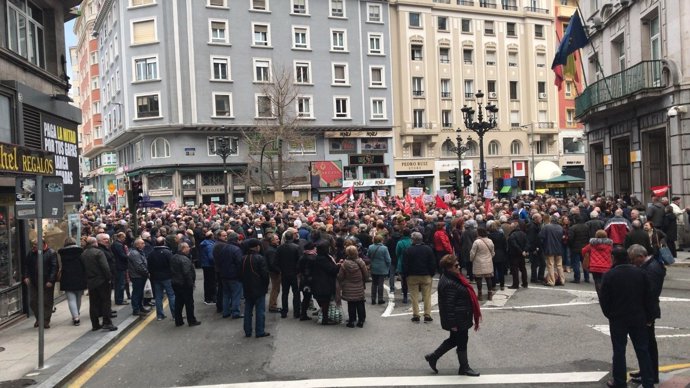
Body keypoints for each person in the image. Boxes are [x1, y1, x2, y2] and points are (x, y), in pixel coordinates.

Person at [599, 247, 654, 388]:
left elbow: (604, 300)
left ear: (614, 258)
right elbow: (649, 297)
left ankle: (620, 381)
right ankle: (648, 382)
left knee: (619, 350)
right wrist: (649, 316)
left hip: (618, 317)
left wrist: (609, 314)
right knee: (643, 350)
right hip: (638, 317)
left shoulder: (610, 275)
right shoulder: (641, 273)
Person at [424, 254, 481, 377]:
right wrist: (453, 324)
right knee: (461, 341)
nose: (459, 266)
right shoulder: (449, 282)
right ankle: (464, 367)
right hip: (458, 318)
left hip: (461, 316)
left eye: (458, 264)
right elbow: (448, 306)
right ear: (448, 268)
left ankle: (433, 357)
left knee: (455, 339)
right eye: (456, 265)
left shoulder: (453, 277)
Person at [629, 244, 666, 385]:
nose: (633, 263)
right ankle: (646, 370)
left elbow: (651, 294)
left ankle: (650, 374)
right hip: (646, 311)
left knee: (648, 344)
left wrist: (649, 317)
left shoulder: (652, 269)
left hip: (647, 313)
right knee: (646, 344)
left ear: (641, 256)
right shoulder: (650, 265)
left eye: (633, 259)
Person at [81, 237, 117, 331]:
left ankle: (95, 324)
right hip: (102, 280)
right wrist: (109, 278)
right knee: (106, 302)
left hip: (91, 281)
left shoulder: (84, 253)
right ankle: (107, 322)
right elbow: (105, 267)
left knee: (93, 303)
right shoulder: (98, 252)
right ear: (95, 243)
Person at [23, 238, 58, 328]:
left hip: (46, 281)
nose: (33, 246)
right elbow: (26, 265)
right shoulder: (31, 253)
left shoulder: (51, 253)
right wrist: (26, 276)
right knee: (33, 301)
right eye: (33, 244)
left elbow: (54, 268)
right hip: (34, 281)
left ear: (42, 244)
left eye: (35, 244)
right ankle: (39, 318)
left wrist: (51, 280)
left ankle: (45, 321)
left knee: (46, 301)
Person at [240, 239, 270, 337]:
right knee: (260, 310)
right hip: (258, 288)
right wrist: (265, 286)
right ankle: (260, 331)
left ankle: (247, 331)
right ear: (257, 247)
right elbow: (264, 275)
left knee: (248, 310)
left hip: (247, 287)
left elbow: (239, 274)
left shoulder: (243, 258)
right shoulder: (260, 258)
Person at [404, 232, 436, 322]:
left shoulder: (408, 250)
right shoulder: (428, 249)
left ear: (413, 240)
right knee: (427, 296)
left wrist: (405, 275)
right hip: (426, 275)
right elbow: (432, 263)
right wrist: (431, 273)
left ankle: (416, 315)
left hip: (412, 275)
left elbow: (405, 265)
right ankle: (427, 314)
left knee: (414, 297)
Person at [170, 242, 201, 327]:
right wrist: (191, 284)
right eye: (187, 247)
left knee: (178, 302)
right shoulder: (184, 259)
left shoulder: (173, 257)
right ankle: (191, 320)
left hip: (175, 283)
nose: (189, 249)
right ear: (183, 249)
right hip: (185, 284)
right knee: (189, 303)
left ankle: (178, 321)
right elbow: (187, 273)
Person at [58, 237, 87, 326]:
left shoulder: (61, 253)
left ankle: (75, 317)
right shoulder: (80, 251)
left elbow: (60, 265)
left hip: (67, 277)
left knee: (71, 299)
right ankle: (77, 313)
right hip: (80, 276)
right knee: (78, 297)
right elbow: (84, 264)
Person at [338, 245, 368, 328]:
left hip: (348, 286)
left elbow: (340, 276)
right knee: (360, 303)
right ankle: (361, 320)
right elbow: (365, 274)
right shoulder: (361, 262)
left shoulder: (345, 264)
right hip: (359, 285)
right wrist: (364, 280)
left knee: (351, 304)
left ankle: (352, 320)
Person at [311, 240, 340, 325]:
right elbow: (331, 270)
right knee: (325, 302)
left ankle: (324, 317)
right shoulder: (323, 259)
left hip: (319, 282)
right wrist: (337, 266)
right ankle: (325, 319)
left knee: (323, 301)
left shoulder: (318, 257)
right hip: (324, 283)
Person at [148, 237, 176, 321]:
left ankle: (160, 315)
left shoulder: (151, 253)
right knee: (171, 295)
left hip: (156, 278)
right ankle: (175, 315)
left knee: (158, 297)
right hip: (167, 277)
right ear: (164, 243)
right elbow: (172, 265)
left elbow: (149, 266)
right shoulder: (168, 252)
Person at [217, 232, 244, 319]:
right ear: (236, 239)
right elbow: (240, 263)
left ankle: (226, 312)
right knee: (236, 294)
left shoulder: (223, 248)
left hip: (224, 275)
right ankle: (235, 312)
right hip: (234, 275)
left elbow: (219, 261)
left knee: (226, 294)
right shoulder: (236, 249)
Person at [276, 230, 301, 319]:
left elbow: (276, 261)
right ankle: (297, 312)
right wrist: (298, 271)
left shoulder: (280, 248)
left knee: (285, 293)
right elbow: (299, 261)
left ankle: (284, 311)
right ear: (292, 237)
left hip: (284, 273)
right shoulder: (296, 247)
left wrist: (280, 270)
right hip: (294, 273)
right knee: (296, 293)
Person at [581, 230, 612, 296]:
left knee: (597, 281)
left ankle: (599, 294)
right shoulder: (609, 245)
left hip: (594, 266)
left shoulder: (592, 245)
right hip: (607, 267)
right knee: (605, 281)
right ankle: (605, 294)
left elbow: (583, 250)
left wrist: (587, 256)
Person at [469, 228, 495, 301]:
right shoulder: (490, 241)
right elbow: (493, 252)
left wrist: (471, 259)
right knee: (488, 278)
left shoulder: (476, 242)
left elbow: (472, 252)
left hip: (478, 261)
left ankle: (480, 294)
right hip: (488, 261)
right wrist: (490, 257)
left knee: (479, 279)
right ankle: (490, 294)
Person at [540, 214, 565, 287]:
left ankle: (551, 281)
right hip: (559, 248)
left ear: (551, 220)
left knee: (550, 265)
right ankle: (562, 280)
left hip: (549, 248)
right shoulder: (560, 227)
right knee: (559, 265)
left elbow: (541, 236)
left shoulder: (547, 227)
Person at [127, 238, 150, 317]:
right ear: (137, 245)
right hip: (137, 276)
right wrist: (147, 273)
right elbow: (139, 266)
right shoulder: (135, 253)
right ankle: (136, 309)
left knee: (140, 293)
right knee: (137, 293)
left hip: (140, 276)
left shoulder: (139, 252)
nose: (144, 244)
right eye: (142, 243)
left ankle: (140, 307)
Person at [367, 234, 391, 305]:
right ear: (381, 240)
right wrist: (388, 266)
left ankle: (373, 299)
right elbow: (388, 259)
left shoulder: (370, 247)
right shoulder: (384, 248)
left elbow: (368, 256)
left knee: (374, 284)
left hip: (373, 267)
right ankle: (380, 298)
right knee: (381, 284)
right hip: (382, 268)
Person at [568, 214, 591, 284]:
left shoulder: (573, 228)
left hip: (575, 248)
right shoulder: (587, 227)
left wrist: (570, 246)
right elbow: (589, 236)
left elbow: (570, 239)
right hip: (585, 247)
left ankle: (577, 278)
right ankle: (587, 278)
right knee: (585, 263)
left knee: (576, 264)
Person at [297, 241, 317, 321]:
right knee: (315, 297)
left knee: (306, 298)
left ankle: (303, 314)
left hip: (304, 280)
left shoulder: (302, 256)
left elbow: (298, 268)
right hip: (311, 280)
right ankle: (323, 313)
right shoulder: (313, 257)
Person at [507, 219, 528, 289]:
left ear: (513, 227)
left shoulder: (512, 235)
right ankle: (525, 283)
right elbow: (527, 243)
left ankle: (515, 284)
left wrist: (521, 251)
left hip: (514, 254)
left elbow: (514, 245)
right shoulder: (524, 233)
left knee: (515, 270)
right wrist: (524, 251)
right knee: (523, 269)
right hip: (522, 254)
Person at [487, 221, 507, 290]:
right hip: (501, 254)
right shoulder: (501, 235)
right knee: (501, 271)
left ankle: (494, 285)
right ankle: (502, 285)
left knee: (493, 271)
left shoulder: (489, 236)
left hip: (492, 254)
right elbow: (505, 245)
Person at [111, 232, 130, 306]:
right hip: (119, 266)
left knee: (119, 284)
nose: (125, 239)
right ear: (121, 237)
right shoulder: (118, 245)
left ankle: (119, 299)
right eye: (124, 237)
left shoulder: (116, 244)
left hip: (119, 266)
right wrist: (128, 255)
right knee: (120, 284)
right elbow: (122, 255)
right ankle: (119, 300)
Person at [264, 233, 281, 313]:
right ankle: (272, 306)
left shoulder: (272, 249)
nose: (278, 240)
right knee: (275, 289)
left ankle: (273, 305)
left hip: (274, 272)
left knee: (276, 289)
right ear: (272, 241)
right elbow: (272, 264)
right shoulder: (271, 251)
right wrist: (279, 271)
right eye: (277, 239)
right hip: (274, 273)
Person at [198, 231, 217, 305]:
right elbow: (211, 257)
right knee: (212, 282)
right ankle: (212, 298)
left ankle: (207, 298)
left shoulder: (204, 243)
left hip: (205, 265)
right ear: (211, 236)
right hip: (210, 266)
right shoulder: (209, 245)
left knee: (207, 282)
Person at [395, 228, 412, 304]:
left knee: (404, 281)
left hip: (402, 262)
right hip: (412, 263)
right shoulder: (412, 242)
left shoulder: (400, 243)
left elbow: (397, 253)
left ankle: (405, 296)